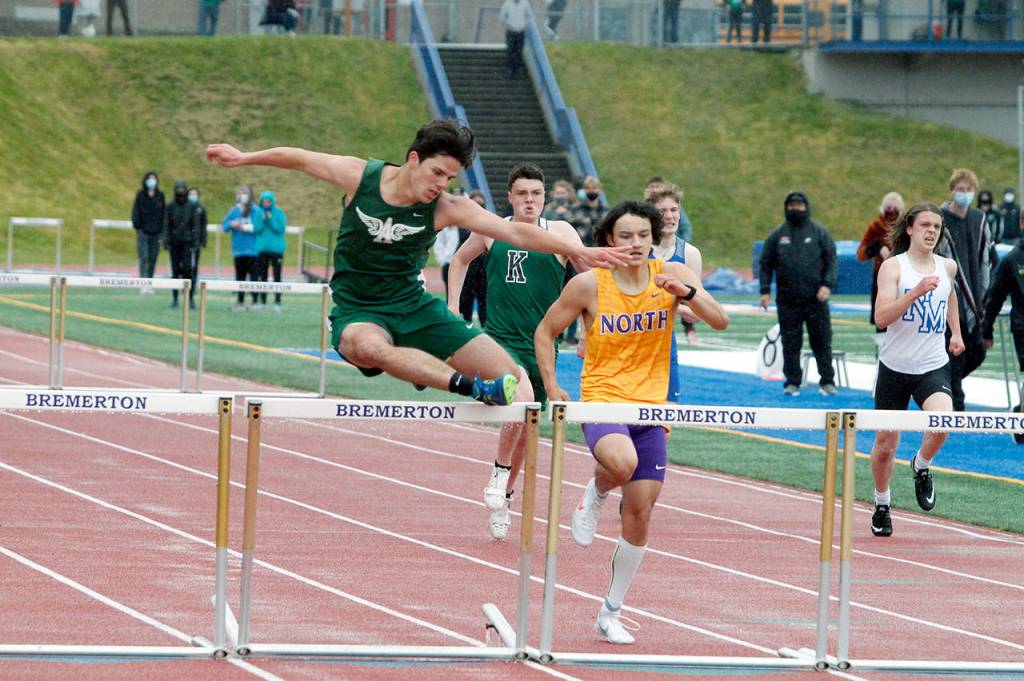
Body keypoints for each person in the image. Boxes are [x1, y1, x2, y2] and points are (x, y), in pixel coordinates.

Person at [205, 118, 627, 408]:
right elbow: (299, 157)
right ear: (413, 159)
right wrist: (244, 157)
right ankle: (465, 385)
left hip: (415, 306)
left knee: (515, 382)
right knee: (367, 347)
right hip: (360, 309)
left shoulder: (447, 207)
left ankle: (509, 498)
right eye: (437, 173)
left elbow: (514, 232)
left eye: (450, 178)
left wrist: (580, 252)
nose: (441, 185)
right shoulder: (361, 177)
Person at [534, 201, 728, 644]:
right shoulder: (589, 284)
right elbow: (545, 332)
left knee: (640, 511)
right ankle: (598, 488)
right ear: (610, 241)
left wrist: (687, 295)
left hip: (651, 407)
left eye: (643, 235)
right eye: (626, 236)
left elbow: (720, 320)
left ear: (653, 237)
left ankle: (611, 610)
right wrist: (552, 385)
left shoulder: (674, 274)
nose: (636, 244)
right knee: (621, 462)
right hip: (604, 399)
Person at [448, 163, 587, 540]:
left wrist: (589, 328)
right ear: (509, 197)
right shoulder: (493, 230)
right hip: (500, 338)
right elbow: (459, 260)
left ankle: (506, 494)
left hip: (543, 342)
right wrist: (451, 310)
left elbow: (588, 274)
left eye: (536, 194)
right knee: (520, 397)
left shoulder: (560, 232)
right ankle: (497, 471)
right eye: (522, 194)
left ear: (544, 197)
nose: (530, 200)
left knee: (529, 424)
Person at [869, 203, 964, 537]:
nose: (931, 232)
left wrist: (955, 332)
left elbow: (949, 295)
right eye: (925, 225)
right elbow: (881, 318)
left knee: (943, 423)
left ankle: (921, 465)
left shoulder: (947, 267)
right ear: (909, 228)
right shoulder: (894, 269)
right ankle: (882, 504)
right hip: (895, 367)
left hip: (931, 365)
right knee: (884, 445)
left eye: (937, 227)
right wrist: (915, 294)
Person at [759, 191, 838, 396]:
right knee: (790, 342)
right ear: (786, 207)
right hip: (787, 300)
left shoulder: (819, 232)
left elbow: (831, 260)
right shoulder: (778, 235)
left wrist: (827, 285)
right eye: (791, 205)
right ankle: (792, 382)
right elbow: (765, 264)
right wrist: (765, 290)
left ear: (806, 207)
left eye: (799, 205)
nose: (795, 208)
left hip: (816, 299)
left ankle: (827, 381)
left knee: (821, 340)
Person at [647, 183, 704, 400]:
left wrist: (682, 308)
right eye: (662, 211)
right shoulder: (639, 251)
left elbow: (697, 311)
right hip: (631, 338)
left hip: (664, 342)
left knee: (667, 412)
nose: (669, 216)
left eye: (674, 210)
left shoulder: (690, 254)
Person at [938, 168, 989, 411]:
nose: (965, 194)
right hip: (950, 300)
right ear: (952, 190)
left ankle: (945, 384)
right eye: (960, 189)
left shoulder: (979, 219)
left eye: (969, 190)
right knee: (955, 356)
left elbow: (984, 260)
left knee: (977, 352)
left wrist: (983, 295)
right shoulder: (940, 218)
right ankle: (956, 406)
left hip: (975, 301)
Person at [982, 209, 1024, 431]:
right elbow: (996, 297)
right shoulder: (1012, 260)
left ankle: (1020, 413)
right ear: (1022, 224)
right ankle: (1021, 420)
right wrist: (986, 329)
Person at [857, 192, 904, 345]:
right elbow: (861, 254)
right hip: (881, 281)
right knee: (882, 322)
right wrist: (877, 248)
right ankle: (882, 362)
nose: (891, 211)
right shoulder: (876, 227)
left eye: (895, 208)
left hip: (904, 280)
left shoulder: (906, 226)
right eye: (888, 207)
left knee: (904, 322)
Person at [163, 180, 203, 309]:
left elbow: (196, 225)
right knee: (175, 272)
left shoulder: (192, 207)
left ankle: (190, 298)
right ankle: (175, 299)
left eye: (182, 189)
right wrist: (166, 240)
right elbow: (166, 225)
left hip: (188, 244)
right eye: (178, 189)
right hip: (174, 244)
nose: (180, 192)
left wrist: (196, 241)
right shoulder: (170, 206)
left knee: (188, 271)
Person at [222, 185, 260, 311]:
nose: (242, 195)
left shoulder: (255, 210)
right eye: (240, 193)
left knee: (254, 277)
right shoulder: (234, 210)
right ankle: (240, 301)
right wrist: (231, 223)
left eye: (245, 193)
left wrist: (244, 227)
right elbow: (224, 226)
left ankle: (255, 301)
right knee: (240, 277)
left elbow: (258, 227)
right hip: (239, 250)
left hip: (253, 250)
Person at [252, 190, 287, 312]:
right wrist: (263, 219)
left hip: (277, 250)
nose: (266, 203)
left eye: (268, 201)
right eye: (264, 201)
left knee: (277, 276)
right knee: (263, 275)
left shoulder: (279, 212)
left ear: (272, 202)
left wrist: (271, 219)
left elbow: (280, 229)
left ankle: (277, 301)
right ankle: (263, 301)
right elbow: (257, 229)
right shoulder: (258, 213)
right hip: (262, 250)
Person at [131, 171, 165, 291]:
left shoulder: (160, 195)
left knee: (153, 258)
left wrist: (161, 230)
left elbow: (163, 214)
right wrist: (138, 227)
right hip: (143, 232)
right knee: (144, 257)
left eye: (154, 178)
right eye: (149, 178)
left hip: (156, 233)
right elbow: (135, 212)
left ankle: (149, 282)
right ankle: (142, 282)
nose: (152, 181)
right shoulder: (140, 195)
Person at [570, 175, 607, 247]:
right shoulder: (576, 209)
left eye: (594, 188)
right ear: (584, 190)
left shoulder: (606, 210)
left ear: (600, 190)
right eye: (588, 188)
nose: (591, 191)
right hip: (582, 249)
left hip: (601, 249)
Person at [500, 0, 530, 78]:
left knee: (519, 50)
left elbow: (529, 16)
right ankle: (510, 69)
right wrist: (508, 25)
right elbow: (502, 16)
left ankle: (517, 70)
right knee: (511, 50)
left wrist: (524, 24)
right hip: (511, 31)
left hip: (521, 32)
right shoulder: (507, 3)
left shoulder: (525, 3)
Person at [433, 224, 460, 298]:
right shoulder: (445, 226)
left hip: (472, 266)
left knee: (480, 297)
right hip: (449, 265)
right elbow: (438, 245)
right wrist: (444, 262)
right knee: (452, 297)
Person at [188, 186, 209, 281]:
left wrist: (203, 240)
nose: (193, 196)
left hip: (196, 241)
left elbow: (203, 225)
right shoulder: (185, 207)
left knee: (194, 264)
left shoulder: (201, 209)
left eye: (194, 194)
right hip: (185, 241)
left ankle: (193, 282)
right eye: (191, 194)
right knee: (185, 264)